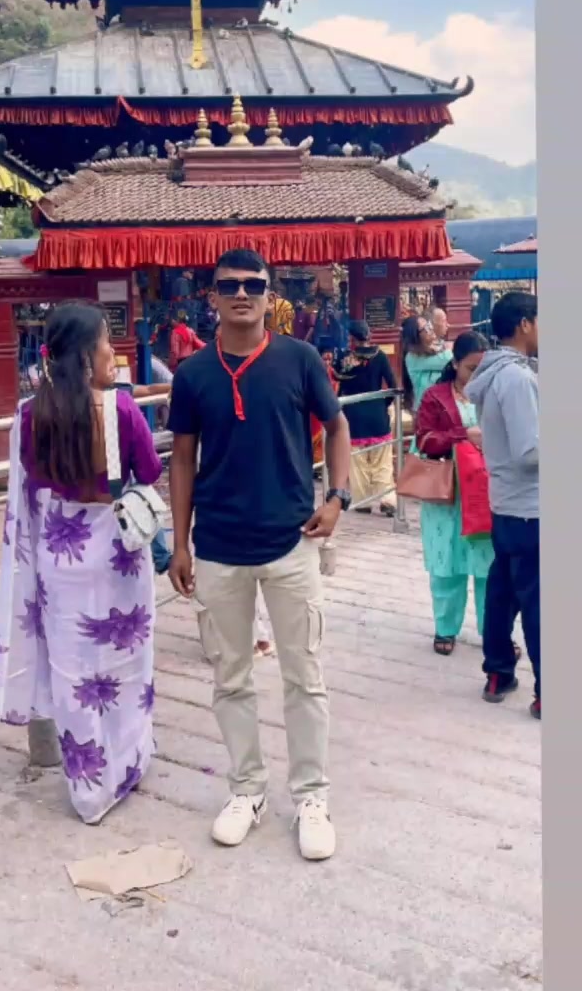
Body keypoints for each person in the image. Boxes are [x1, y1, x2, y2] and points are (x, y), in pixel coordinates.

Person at [167, 248, 351, 861]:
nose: (241, 294)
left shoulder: (299, 359)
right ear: (212, 296)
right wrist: (180, 542)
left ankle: (312, 797)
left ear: (270, 295)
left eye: (253, 284)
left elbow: (337, 426)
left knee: (305, 676)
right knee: (231, 677)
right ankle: (247, 789)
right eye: (229, 285)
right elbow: (183, 459)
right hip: (219, 548)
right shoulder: (193, 374)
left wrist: (338, 497)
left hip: (292, 542)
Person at [0, 301, 163, 824]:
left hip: (62, 557)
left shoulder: (28, 415)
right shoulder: (120, 409)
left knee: (73, 671)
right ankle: (125, 767)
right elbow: (149, 471)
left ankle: (88, 791)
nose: (111, 352)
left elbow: (31, 481)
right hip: (118, 554)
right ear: (85, 354)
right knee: (126, 667)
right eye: (105, 342)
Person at [466, 292, 540, 719]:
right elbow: (529, 452)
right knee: (538, 601)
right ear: (525, 324)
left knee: (504, 591)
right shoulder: (516, 379)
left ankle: (498, 672)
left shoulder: (496, 373)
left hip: (508, 504)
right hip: (530, 507)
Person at [415, 331, 497, 654]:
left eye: (483, 368)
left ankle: (494, 633)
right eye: (471, 368)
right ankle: (445, 629)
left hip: (488, 491)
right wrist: (463, 435)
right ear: (455, 363)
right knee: (445, 565)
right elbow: (424, 440)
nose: (477, 375)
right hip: (448, 494)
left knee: (490, 568)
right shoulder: (435, 396)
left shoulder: (495, 393)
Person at [338, 321, 398, 517]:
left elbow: (340, 388)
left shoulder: (346, 359)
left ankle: (362, 500)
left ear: (352, 338)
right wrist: (382, 404)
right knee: (383, 461)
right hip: (377, 414)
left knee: (358, 462)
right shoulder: (380, 356)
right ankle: (387, 499)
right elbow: (392, 385)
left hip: (354, 415)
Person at [401, 314, 453, 422]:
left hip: (443, 407)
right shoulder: (413, 357)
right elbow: (448, 360)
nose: (431, 328)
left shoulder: (437, 347)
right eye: (426, 328)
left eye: (429, 324)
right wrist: (448, 349)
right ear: (416, 335)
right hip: (425, 410)